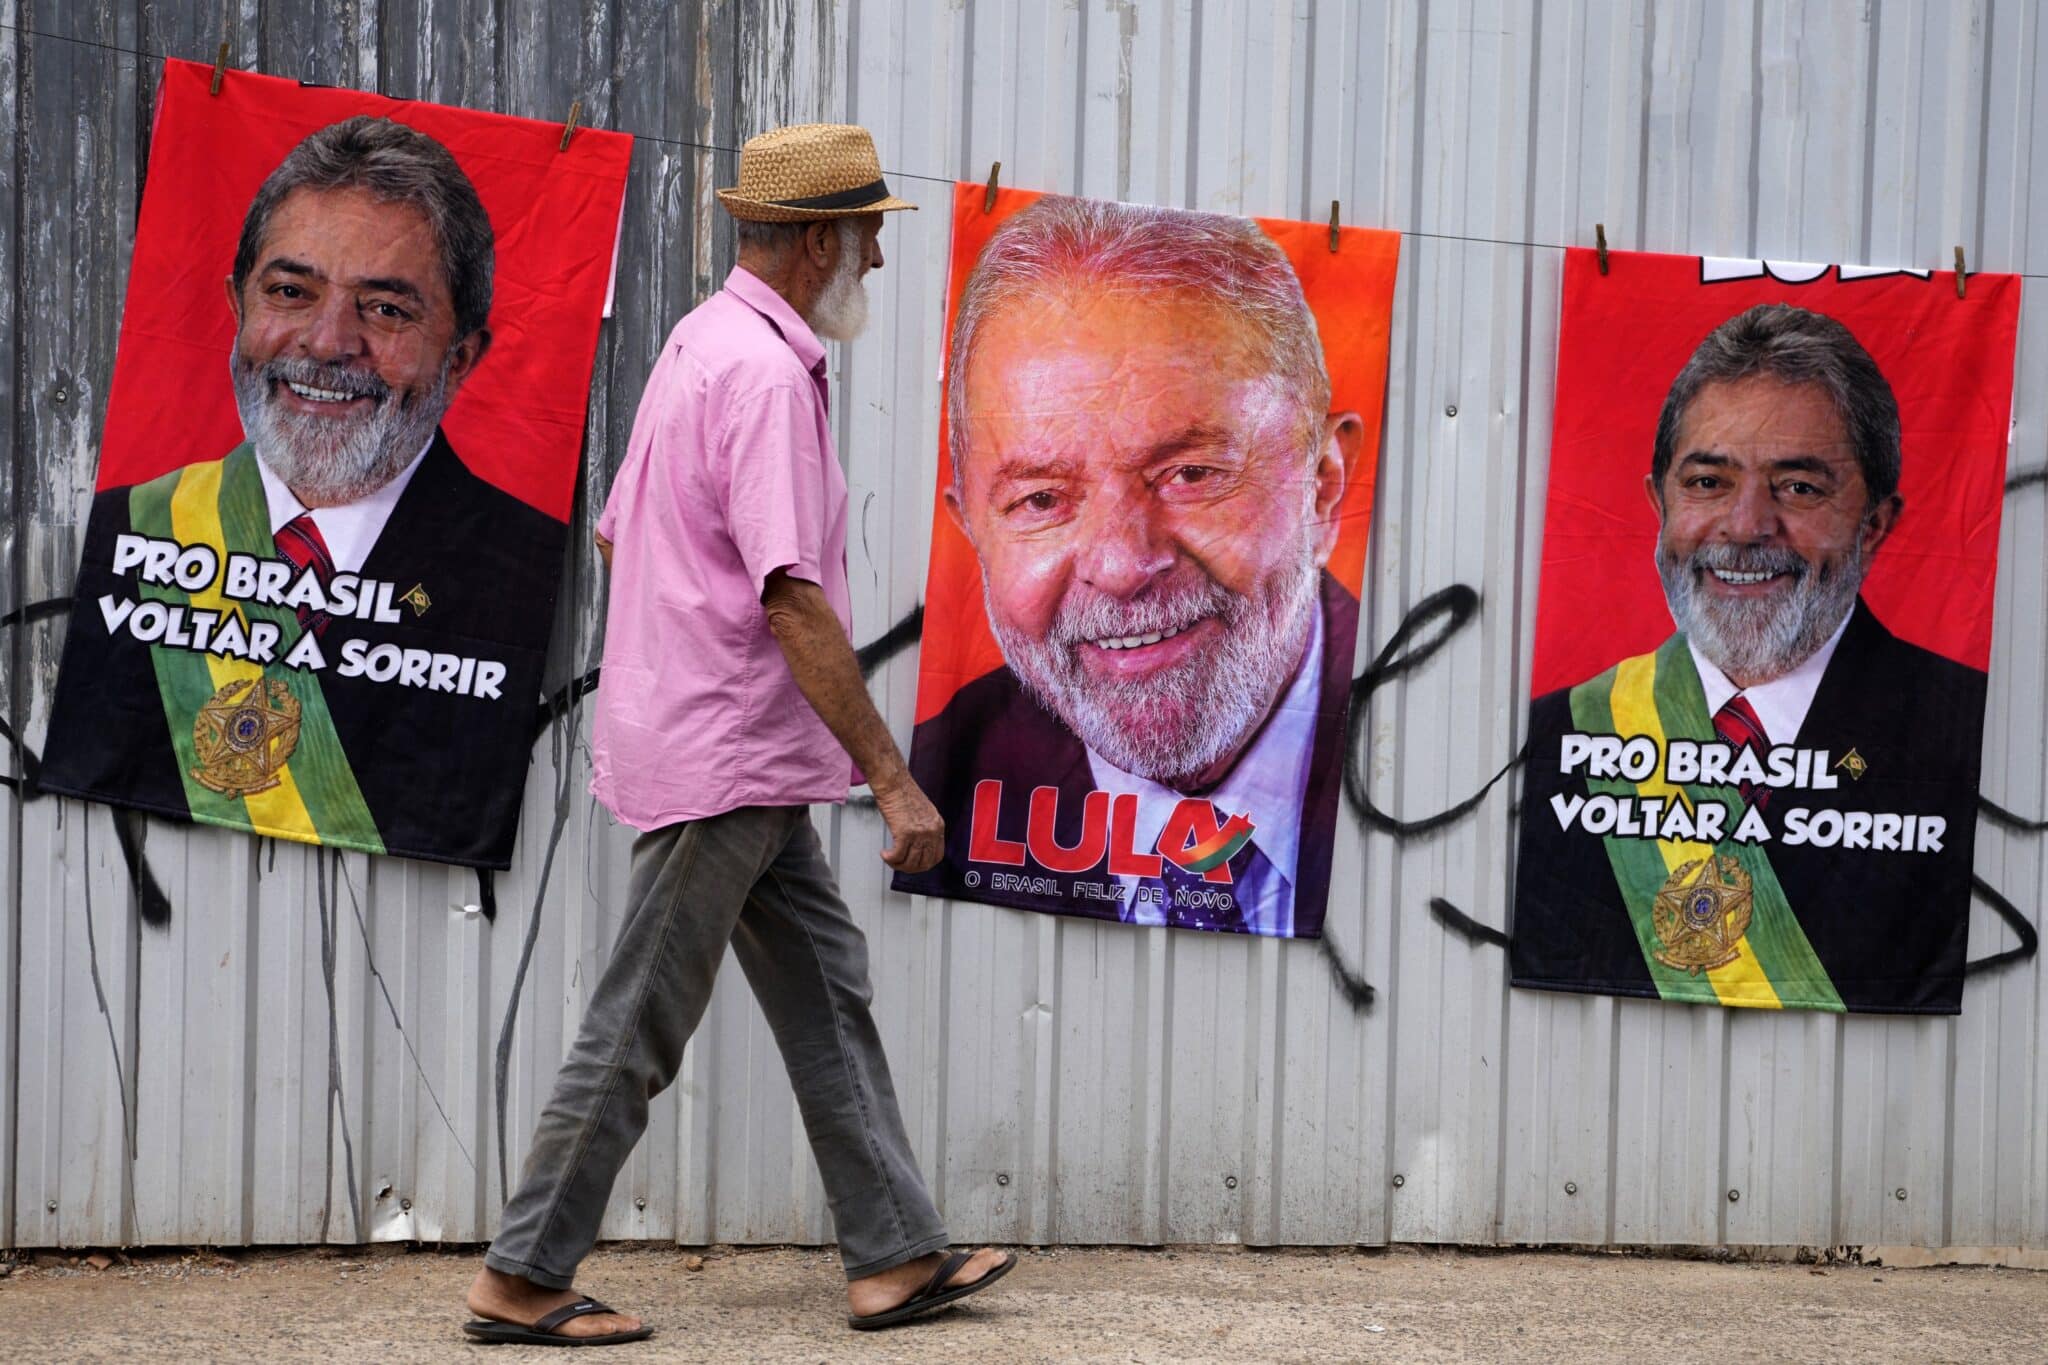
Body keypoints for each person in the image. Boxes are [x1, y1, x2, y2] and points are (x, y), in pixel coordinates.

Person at [462, 123, 1013, 1345]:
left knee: (827, 993)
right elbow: (788, 593)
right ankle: (519, 1274)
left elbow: (624, 531)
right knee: (640, 1018)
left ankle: (893, 1258)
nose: (873, 257)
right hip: (725, 756)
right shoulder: (762, 375)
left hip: (736, 745)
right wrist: (892, 778)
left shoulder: (699, 343)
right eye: (865, 234)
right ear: (820, 239)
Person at [40, 115, 562, 866]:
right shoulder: (130, 529)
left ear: (460, 359)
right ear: (237, 308)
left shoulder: (522, 575)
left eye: (386, 309)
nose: (326, 343)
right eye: (290, 290)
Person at [894, 196, 1364, 939]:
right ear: (972, 530)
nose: (1120, 565)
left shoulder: (1437, 748)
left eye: (1192, 473)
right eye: (1043, 497)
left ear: (1323, 488)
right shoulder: (941, 790)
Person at [1511, 303, 1986, 1014]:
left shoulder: (1960, 731)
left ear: (1876, 524)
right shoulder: (1560, 734)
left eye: (1799, 487)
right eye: (1707, 482)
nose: (1746, 526)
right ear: (1659, 504)